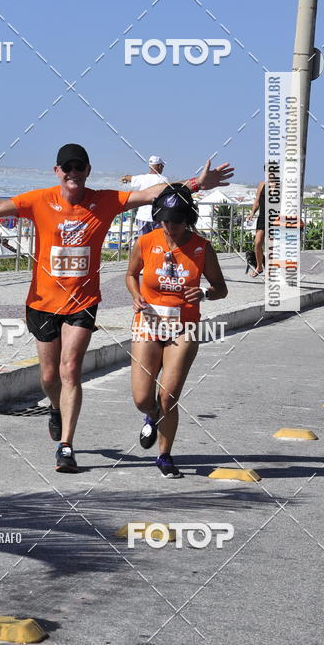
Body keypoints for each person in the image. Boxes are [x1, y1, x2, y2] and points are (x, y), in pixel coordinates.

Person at [0, 144, 234, 473]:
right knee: (48, 376)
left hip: (82, 303)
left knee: (70, 370)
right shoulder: (38, 200)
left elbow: (151, 193)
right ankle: (55, 407)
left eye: (79, 167)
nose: (73, 172)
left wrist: (196, 184)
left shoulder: (104, 201)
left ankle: (66, 447)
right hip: (42, 302)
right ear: (57, 171)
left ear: (87, 171)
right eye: (66, 167)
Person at [126, 184, 228, 478]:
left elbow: (221, 288)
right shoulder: (146, 242)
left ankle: (164, 455)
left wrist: (206, 294)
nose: (170, 226)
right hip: (148, 323)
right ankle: (151, 415)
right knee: (142, 398)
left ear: (189, 220)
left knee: (168, 397)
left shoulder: (201, 248)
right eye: (166, 220)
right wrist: (135, 295)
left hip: (183, 328)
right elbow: (131, 274)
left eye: (177, 221)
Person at [121, 155, 168, 236]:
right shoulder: (164, 180)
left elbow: (129, 178)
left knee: (143, 243)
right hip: (158, 217)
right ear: (159, 166)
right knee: (158, 243)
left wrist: (124, 178)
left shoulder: (142, 178)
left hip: (142, 217)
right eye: (162, 166)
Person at [247, 174, 266, 277]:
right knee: (257, 242)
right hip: (263, 217)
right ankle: (259, 267)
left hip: (275, 218)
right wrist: (252, 213)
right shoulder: (262, 184)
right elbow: (257, 202)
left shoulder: (280, 185)